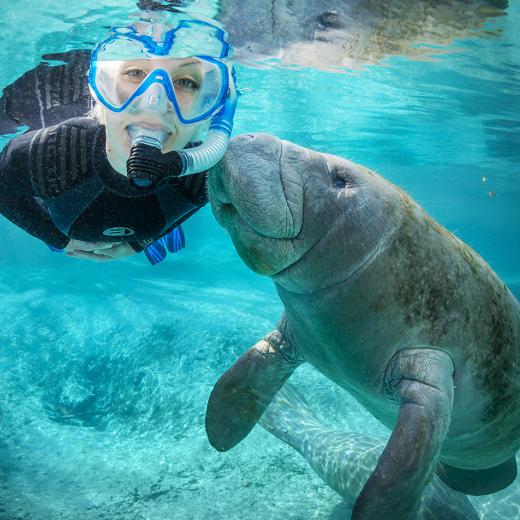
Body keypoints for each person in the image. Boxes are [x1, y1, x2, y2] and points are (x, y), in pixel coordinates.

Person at [0, 17, 238, 264]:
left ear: (212, 107)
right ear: (102, 88)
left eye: (186, 82)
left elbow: (196, 201)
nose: (154, 104)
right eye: (135, 73)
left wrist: (142, 242)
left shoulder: (206, 174)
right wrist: (56, 238)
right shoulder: (52, 151)